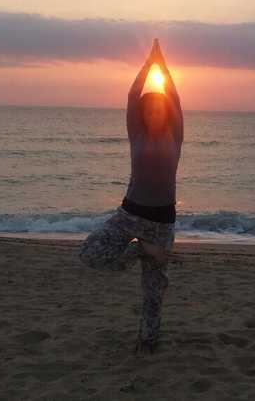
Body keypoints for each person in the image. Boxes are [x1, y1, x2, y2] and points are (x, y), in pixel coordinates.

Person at [77, 38, 184, 355]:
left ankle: (148, 342)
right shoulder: (136, 133)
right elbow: (130, 95)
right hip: (129, 215)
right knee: (90, 254)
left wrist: (163, 68)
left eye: (157, 108)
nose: (153, 112)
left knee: (154, 290)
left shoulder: (175, 135)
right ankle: (141, 251)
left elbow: (175, 100)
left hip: (161, 223)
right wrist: (147, 65)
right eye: (147, 108)